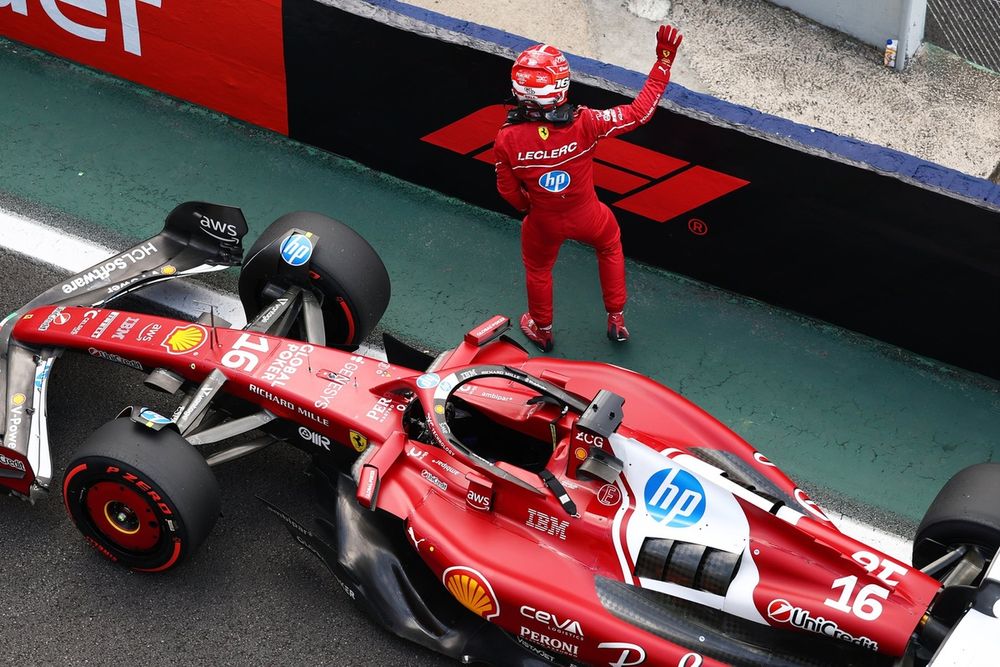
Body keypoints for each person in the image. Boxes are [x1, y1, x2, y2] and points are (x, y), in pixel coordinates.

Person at [493, 25, 683, 352]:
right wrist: (663, 63)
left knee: (538, 270)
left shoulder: (506, 138)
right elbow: (640, 112)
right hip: (589, 216)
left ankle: (542, 329)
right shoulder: (587, 122)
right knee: (609, 246)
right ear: (560, 86)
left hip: (542, 221)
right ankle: (617, 319)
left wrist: (529, 209)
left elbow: (507, 191)